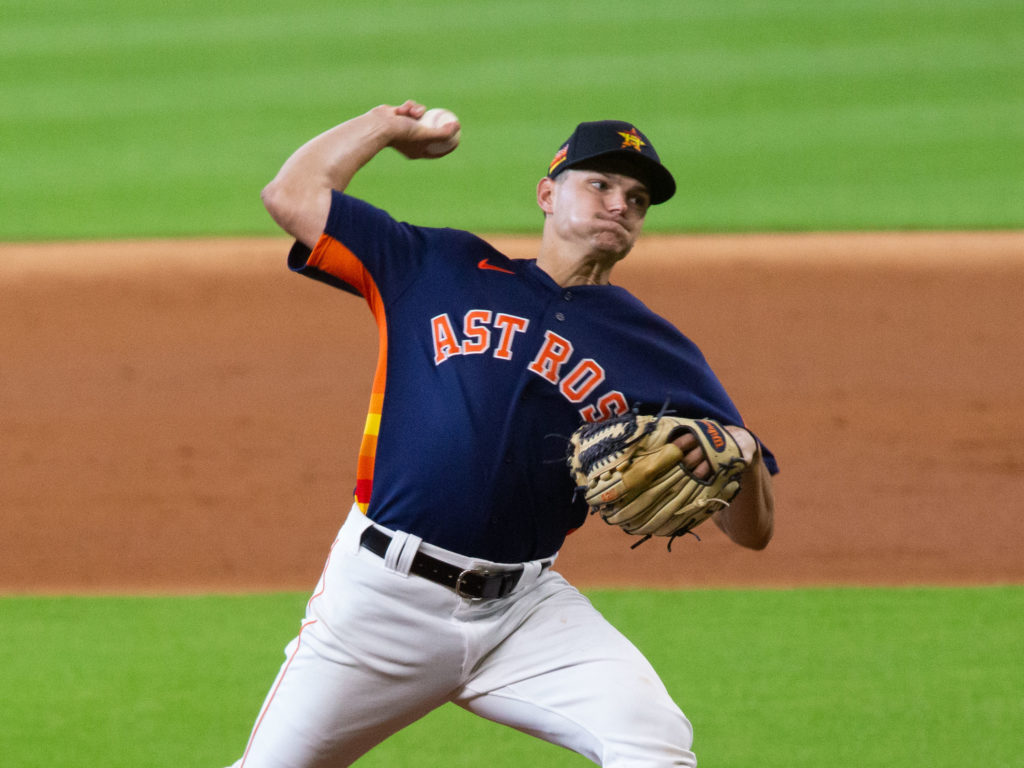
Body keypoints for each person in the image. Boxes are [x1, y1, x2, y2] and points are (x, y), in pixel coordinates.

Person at [230, 100, 778, 768]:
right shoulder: (439, 267)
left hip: (523, 614)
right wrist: (386, 127)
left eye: (636, 199)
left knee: (654, 741)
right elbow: (291, 195)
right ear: (548, 192)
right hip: (380, 605)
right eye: (599, 184)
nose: (619, 205)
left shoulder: (656, 348)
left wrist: (743, 456)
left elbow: (751, 531)